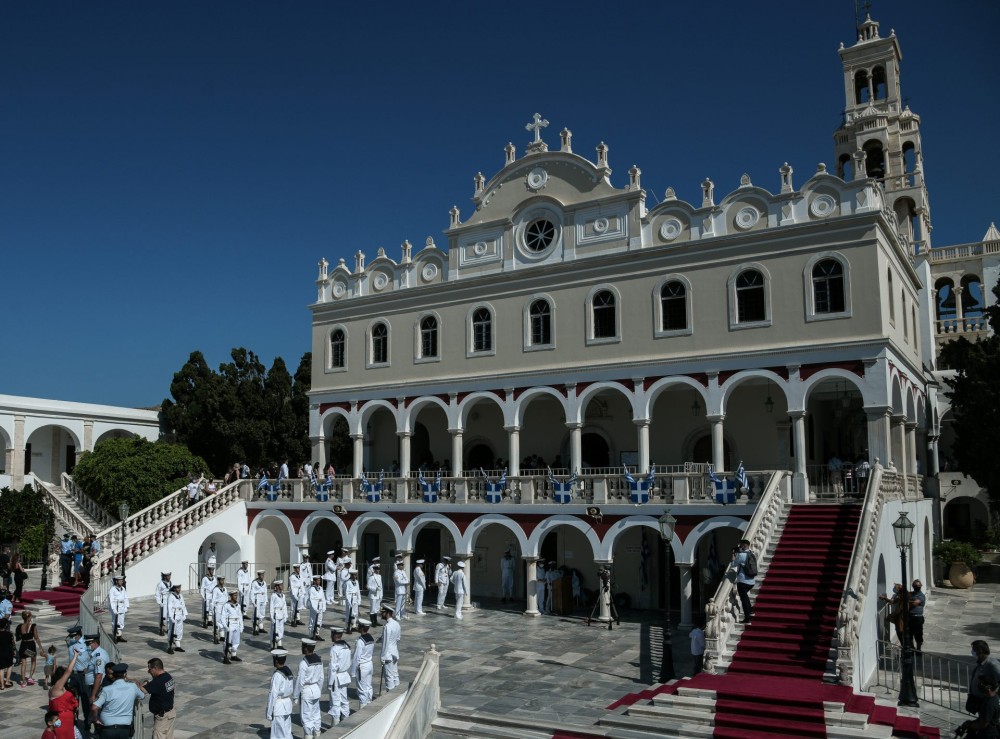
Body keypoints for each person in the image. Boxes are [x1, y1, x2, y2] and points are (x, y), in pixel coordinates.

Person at [91, 662, 143, 739]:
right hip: (124, 729)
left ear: (114, 676)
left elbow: (94, 707)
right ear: (125, 674)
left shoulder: (106, 690)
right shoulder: (133, 687)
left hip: (108, 728)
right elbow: (142, 696)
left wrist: (96, 720)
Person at [138, 657, 175, 739]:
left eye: (149, 669)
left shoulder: (158, 682)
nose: (148, 671)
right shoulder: (168, 676)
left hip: (162, 717)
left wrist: (141, 684)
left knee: (158, 736)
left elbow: (143, 690)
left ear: (155, 668)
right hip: (170, 713)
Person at [294, 639, 324, 739]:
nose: (302, 648)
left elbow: (300, 681)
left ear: (306, 648)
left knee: (306, 717)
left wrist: (295, 696)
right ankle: (317, 734)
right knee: (316, 715)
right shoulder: (319, 660)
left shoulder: (304, 663)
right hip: (316, 688)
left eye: (303, 646)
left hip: (307, 690)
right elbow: (321, 678)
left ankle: (309, 736)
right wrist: (318, 689)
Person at [47, 650, 79, 739]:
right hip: (61, 721)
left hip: (68, 720)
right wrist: (75, 656)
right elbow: (68, 671)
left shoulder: (60, 687)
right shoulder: (57, 687)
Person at [266, 648, 294, 739]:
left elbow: (273, 694)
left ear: (276, 661)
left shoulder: (277, 675)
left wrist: (269, 712)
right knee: (287, 732)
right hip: (287, 704)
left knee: (278, 734)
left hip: (279, 707)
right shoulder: (288, 671)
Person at [327, 626, 352, 726]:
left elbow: (333, 668)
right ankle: (346, 720)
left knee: (335, 702)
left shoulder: (334, 649)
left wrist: (330, 683)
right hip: (344, 675)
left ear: (334, 635)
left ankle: (335, 725)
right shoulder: (347, 646)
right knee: (344, 700)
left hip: (336, 678)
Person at [968, 641, 1000, 715]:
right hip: (979, 700)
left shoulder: (992, 664)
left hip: (987, 702)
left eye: (974, 649)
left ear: (980, 651)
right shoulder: (981, 662)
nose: (972, 652)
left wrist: (993, 693)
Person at [351, 619, 375, 708]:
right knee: (368, 687)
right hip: (369, 664)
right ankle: (369, 705)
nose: (357, 627)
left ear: (361, 628)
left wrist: (353, 672)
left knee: (362, 691)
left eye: (359, 626)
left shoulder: (360, 641)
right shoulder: (371, 638)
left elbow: (356, 657)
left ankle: (363, 712)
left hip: (362, 667)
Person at [16, 609, 43, 686]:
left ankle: (23, 682)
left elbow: (18, 638)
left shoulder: (19, 626)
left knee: (23, 664)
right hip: (30, 645)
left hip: (23, 646)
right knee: (33, 660)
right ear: (29, 617)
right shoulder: (33, 626)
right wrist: (41, 647)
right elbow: (36, 637)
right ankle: (30, 677)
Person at [85, 633, 111, 714]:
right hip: (92, 685)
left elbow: (99, 676)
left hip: (95, 687)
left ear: (95, 643)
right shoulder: (96, 653)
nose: (87, 646)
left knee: (95, 710)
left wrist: (93, 694)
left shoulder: (98, 657)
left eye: (88, 644)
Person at [731, 539, 755, 624]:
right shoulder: (751, 553)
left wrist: (734, 555)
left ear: (744, 546)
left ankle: (747, 618)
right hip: (751, 581)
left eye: (741, 545)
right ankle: (751, 610)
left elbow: (733, 564)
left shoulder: (741, 555)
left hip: (743, 581)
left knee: (744, 600)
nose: (739, 547)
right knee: (745, 597)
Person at [379, 604, 401, 691]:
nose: (381, 615)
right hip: (394, 652)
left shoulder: (387, 626)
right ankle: (398, 694)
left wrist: (382, 657)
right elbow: (398, 638)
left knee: (389, 677)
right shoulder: (396, 624)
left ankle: (390, 696)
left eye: (383, 613)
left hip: (388, 655)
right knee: (395, 676)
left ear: (387, 613)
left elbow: (386, 643)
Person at [221, 590, 244, 664]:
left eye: (236, 595)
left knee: (236, 641)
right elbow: (223, 616)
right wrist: (225, 626)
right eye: (234, 595)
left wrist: (241, 626)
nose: (236, 597)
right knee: (228, 641)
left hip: (236, 623)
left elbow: (240, 616)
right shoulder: (226, 605)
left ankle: (233, 655)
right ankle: (226, 656)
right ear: (230, 596)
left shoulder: (238, 605)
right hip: (230, 624)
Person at [166, 583, 187, 654]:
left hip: (180, 614)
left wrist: (185, 614)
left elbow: (183, 605)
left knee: (179, 630)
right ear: (174, 589)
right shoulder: (171, 596)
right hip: (174, 615)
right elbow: (169, 607)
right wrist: (171, 617)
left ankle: (178, 646)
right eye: (178, 588)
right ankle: (169, 646)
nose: (179, 589)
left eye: (180, 588)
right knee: (171, 631)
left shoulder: (180, 596)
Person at [109, 575, 129, 643]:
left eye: (122, 580)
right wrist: (113, 609)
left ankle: (119, 636)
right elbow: (111, 600)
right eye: (120, 581)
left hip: (122, 606)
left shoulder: (123, 588)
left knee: (121, 622)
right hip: (116, 606)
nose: (122, 582)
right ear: (116, 581)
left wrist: (126, 606)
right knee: (115, 622)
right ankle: (115, 636)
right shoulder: (113, 589)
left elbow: (126, 598)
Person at [908, 579, 926, 654]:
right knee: (909, 634)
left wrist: (907, 601)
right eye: (915, 586)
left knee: (918, 634)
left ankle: (918, 649)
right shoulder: (911, 594)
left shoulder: (921, 596)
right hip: (910, 617)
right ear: (913, 586)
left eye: (918, 586)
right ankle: (912, 648)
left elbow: (915, 603)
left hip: (918, 617)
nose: (917, 587)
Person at [268, 580, 287, 650]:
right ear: (277, 586)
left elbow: (284, 606)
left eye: (282, 585)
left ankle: (279, 644)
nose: (282, 586)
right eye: (281, 585)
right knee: (274, 630)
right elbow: (271, 607)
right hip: (276, 614)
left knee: (281, 629)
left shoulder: (283, 595)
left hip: (281, 614)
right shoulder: (273, 595)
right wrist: (271, 616)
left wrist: (285, 615)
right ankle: (272, 645)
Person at [307, 574, 327, 641]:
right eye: (318, 580)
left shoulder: (320, 588)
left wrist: (324, 606)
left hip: (320, 606)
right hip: (314, 607)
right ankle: (311, 634)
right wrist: (315, 609)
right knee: (313, 620)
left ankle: (317, 633)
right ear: (315, 581)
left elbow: (323, 598)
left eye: (319, 580)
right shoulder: (311, 589)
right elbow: (312, 599)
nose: (319, 582)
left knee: (319, 620)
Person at [210, 576, 229, 644]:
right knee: (217, 622)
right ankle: (216, 636)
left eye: (223, 580)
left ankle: (222, 636)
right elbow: (213, 600)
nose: (222, 582)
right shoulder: (216, 589)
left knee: (223, 621)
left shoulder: (225, 589)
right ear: (218, 581)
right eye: (221, 580)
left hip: (223, 607)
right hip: (218, 607)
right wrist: (212, 610)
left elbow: (226, 598)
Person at [250, 570, 269, 635]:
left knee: (262, 614)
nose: (262, 576)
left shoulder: (264, 583)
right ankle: (255, 628)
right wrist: (253, 601)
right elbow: (252, 593)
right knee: (256, 614)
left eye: (263, 575)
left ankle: (261, 627)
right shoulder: (254, 582)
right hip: (257, 599)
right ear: (258, 575)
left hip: (262, 599)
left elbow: (266, 592)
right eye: (261, 575)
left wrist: (266, 600)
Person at [155, 572, 173, 636]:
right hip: (164, 600)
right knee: (163, 615)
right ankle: (161, 628)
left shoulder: (171, 583)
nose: (169, 577)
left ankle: (169, 628)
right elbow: (157, 593)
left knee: (170, 615)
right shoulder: (160, 584)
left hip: (169, 600)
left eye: (170, 575)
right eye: (168, 576)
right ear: (164, 576)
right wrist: (159, 602)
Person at [344, 569, 361, 634]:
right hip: (350, 598)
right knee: (349, 613)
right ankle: (347, 627)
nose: (355, 576)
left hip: (355, 598)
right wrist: (349, 601)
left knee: (355, 613)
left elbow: (358, 591)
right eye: (354, 575)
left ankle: (354, 626)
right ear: (351, 575)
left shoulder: (356, 582)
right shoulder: (348, 582)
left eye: (356, 575)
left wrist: (359, 599)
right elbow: (347, 592)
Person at [0, 617, 15, 689]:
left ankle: (2, 685)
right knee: (9, 666)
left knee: (1, 668)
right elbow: (11, 643)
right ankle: (7, 681)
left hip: (0, 653)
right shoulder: (9, 634)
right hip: (8, 652)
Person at [367, 562, 383, 626]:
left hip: (378, 595)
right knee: (372, 609)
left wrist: (381, 595)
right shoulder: (371, 577)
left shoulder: (380, 576)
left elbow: (381, 586)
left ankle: (376, 621)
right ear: (374, 570)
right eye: (377, 569)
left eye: (379, 569)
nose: (378, 570)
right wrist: (375, 589)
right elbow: (368, 586)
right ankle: (372, 621)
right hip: (373, 595)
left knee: (376, 609)